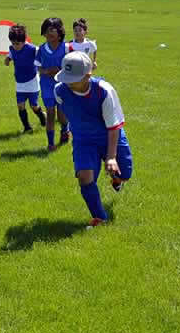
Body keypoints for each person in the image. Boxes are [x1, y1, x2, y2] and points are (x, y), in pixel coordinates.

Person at [53, 52, 133, 228]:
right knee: (84, 177)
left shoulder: (104, 91)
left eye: (72, 79)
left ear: (87, 76)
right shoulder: (60, 90)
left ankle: (117, 180)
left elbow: (113, 127)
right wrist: (65, 129)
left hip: (109, 136)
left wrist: (111, 157)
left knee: (125, 173)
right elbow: (64, 111)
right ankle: (99, 217)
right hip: (83, 140)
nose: (67, 82)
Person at [35, 17, 71, 151]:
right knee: (50, 113)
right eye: (46, 31)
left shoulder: (67, 48)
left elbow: (73, 66)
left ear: (60, 31)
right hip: (47, 85)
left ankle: (65, 129)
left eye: (52, 30)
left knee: (62, 115)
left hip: (63, 85)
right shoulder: (41, 49)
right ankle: (50, 143)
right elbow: (37, 66)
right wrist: (45, 71)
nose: (48, 34)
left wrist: (61, 70)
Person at [4, 24, 46, 134]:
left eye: (17, 44)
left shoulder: (32, 49)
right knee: (20, 105)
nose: (15, 46)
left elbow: (42, 55)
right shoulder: (12, 49)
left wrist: (43, 67)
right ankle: (27, 127)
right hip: (19, 82)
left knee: (34, 106)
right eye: (12, 43)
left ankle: (42, 116)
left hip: (32, 81)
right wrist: (8, 59)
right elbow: (11, 54)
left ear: (24, 41)